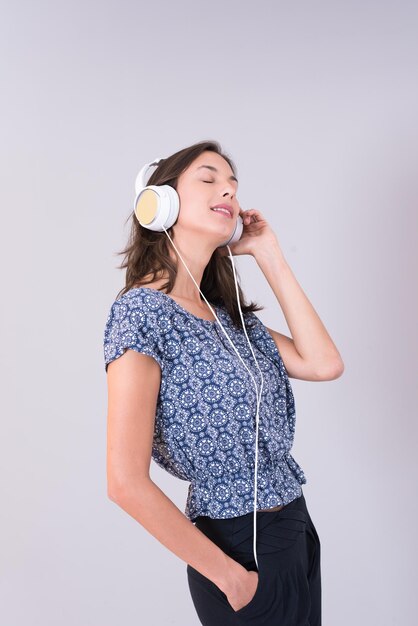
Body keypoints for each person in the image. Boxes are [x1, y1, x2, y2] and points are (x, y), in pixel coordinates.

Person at [103, 140, 344, 625]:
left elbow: (324, 363)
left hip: (294, 531)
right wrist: (232, 579)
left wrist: (268, 253)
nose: (228, 191)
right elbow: (124, 483)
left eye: (233, 184)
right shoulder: (141, 315)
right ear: (161, 203)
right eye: (209, 178)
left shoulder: (230, 321)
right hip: (235, 548)